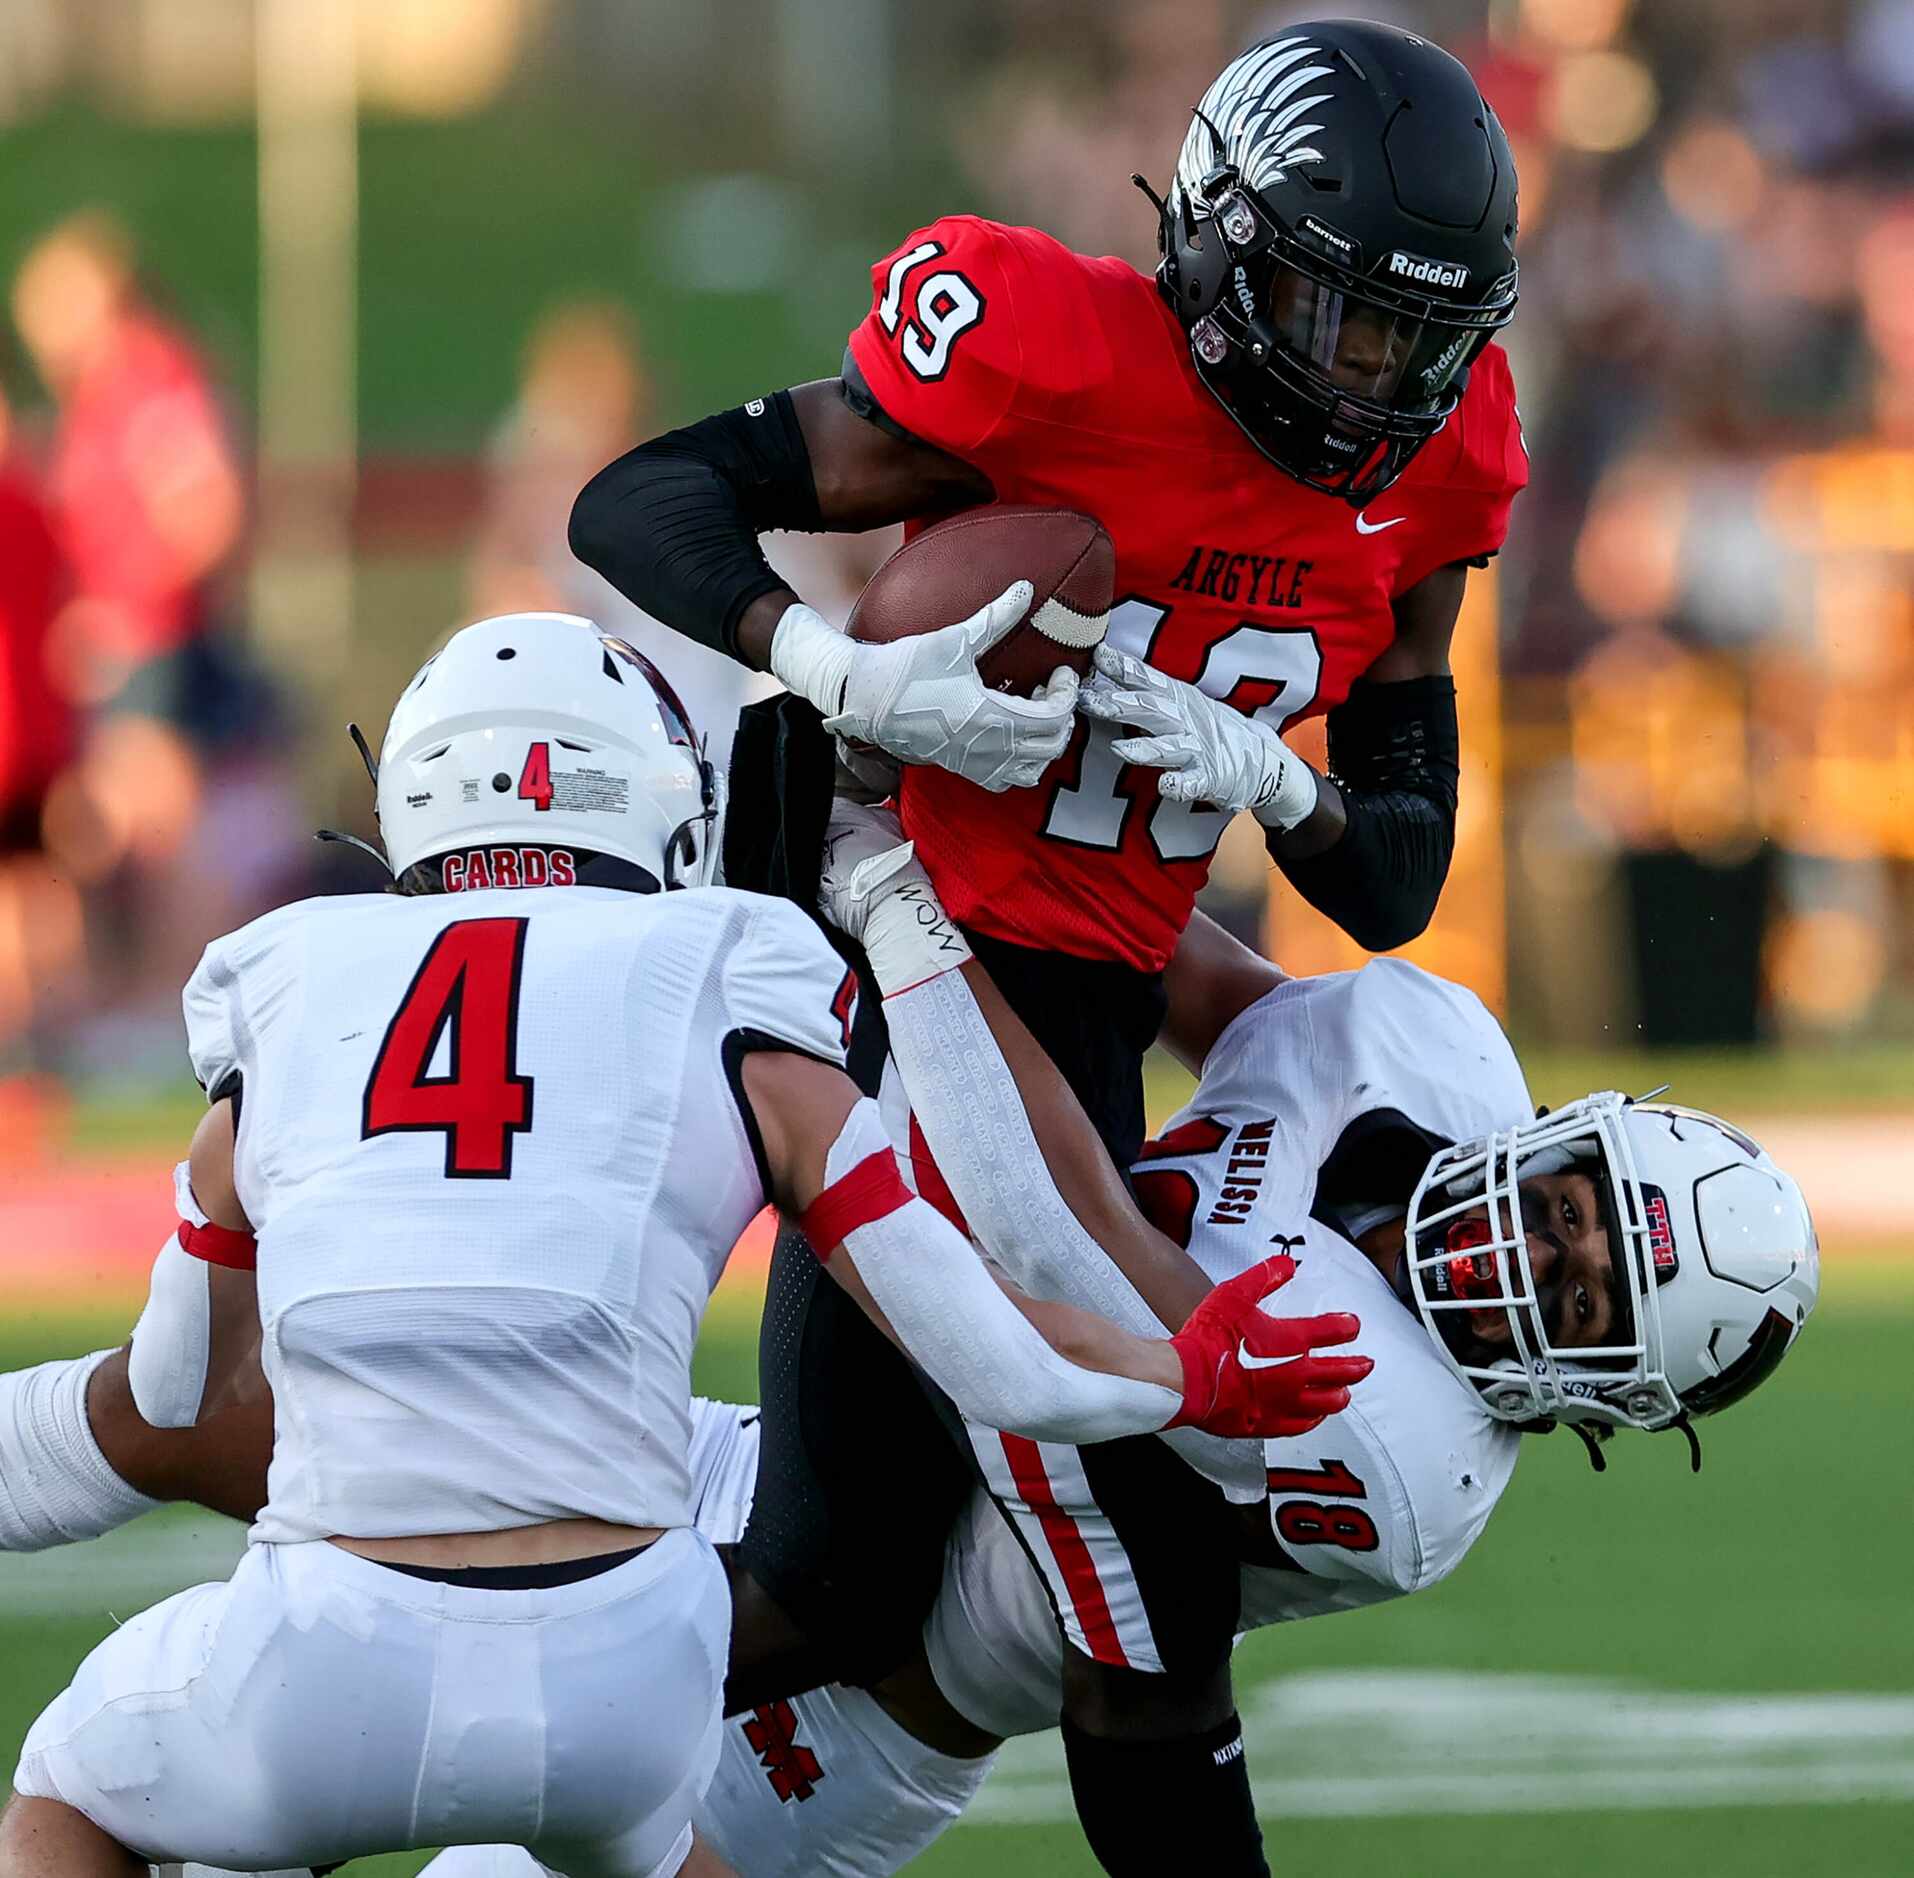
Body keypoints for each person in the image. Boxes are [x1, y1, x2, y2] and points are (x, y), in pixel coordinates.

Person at [566, 28, 1530, 1850]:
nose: (1374, 377)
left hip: (1088, 1007)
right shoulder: (1049, 347)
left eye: (1413, 336)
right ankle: (387, 1672)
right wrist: (833, 661)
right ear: (1227, 254)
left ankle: (395, 1662)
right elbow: (638, 497)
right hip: (888, 955)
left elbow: (1394, 878)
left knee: (827, 1589)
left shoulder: (1442, 465)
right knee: (1146, 1591)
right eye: (1337, 318)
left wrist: (1286, 789)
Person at [124, 846, 1818, 1878]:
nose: (1543, 1254)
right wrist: (1049, 858)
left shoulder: (1398, 1462)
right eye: (1581, 1212)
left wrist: (918, 942)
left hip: (853, 1704)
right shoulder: (1432, 1050)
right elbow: (1174, 978)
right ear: (1567, 1139)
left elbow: (1028, 1310)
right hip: (796, 1453)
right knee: (338, 1525)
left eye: (1590, 1296)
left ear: (1598, 1394)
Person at [0, 617, 1367, 1878]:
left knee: (74, 1777)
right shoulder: (732, 963)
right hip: (632, 1677)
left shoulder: (285, 982)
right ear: (655, 794)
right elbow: (989, 1351)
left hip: (329, 1661)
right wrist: (1182, 1375)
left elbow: (166, 1406)